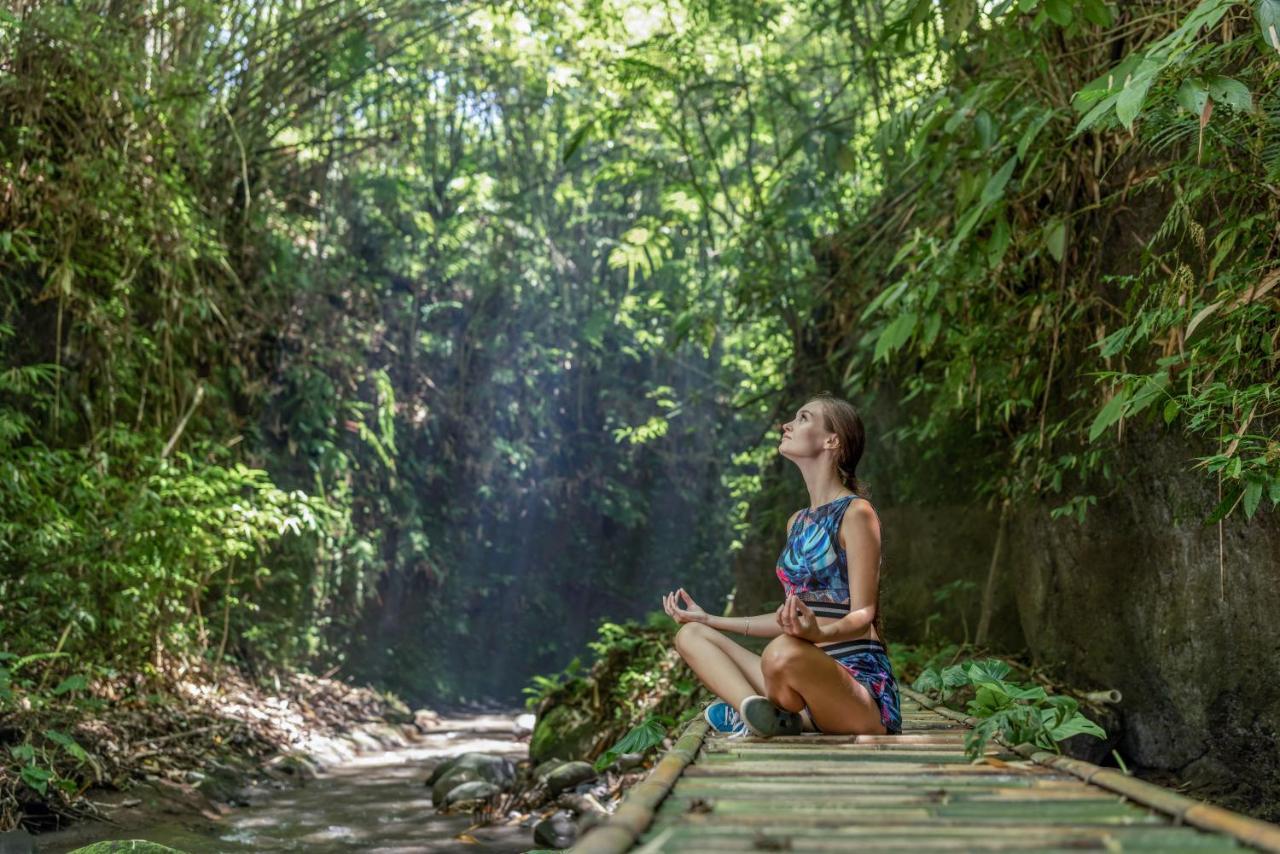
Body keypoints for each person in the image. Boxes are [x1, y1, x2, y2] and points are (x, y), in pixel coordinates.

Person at [661, 392, 902, 738]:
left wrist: (819, 634)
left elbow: (863, 613)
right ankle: (759, 713)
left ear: (832, 440)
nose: (787, 425)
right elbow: (787, 618)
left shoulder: (856, 513)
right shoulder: (797, 523)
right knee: (692, 634)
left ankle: (781, 716)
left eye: (803, 418)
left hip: (856, 691)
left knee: (782, 652)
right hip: (795, 673)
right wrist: (710, 619)